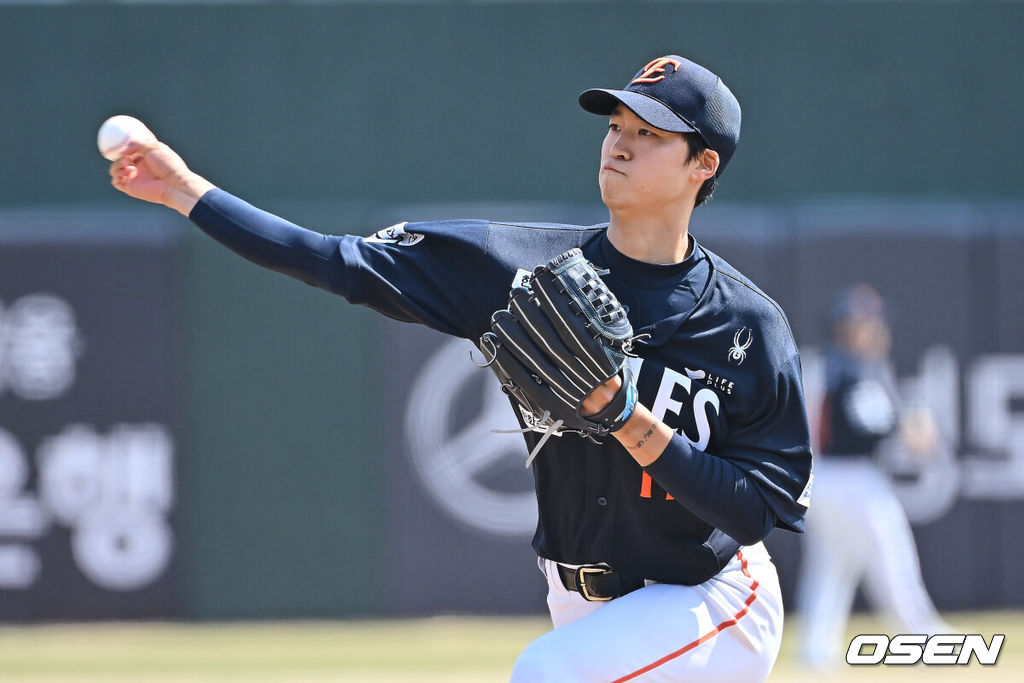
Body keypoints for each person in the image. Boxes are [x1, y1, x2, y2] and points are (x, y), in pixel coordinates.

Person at [108, 55, 812, 682]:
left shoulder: (747, 324)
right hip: (578, 599)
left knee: (546, 671)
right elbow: (335, 260)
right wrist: (183, 190)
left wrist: (626, 417)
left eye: (650, 134)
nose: (620, 144)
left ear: (704, 164)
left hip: (711, 597)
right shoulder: (519, 266)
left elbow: (752, 511)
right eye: (617, 125)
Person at [797, 284, 949, 670]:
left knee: (831, 568)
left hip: (821, 479)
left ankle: (816, 652)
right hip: (851, 479)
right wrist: (908, 425)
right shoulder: (850, 367)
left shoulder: (825, 363)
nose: (879, 329)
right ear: (848, 326)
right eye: (868, 322)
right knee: (891, 559)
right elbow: (870, 421)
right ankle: (925, 637)